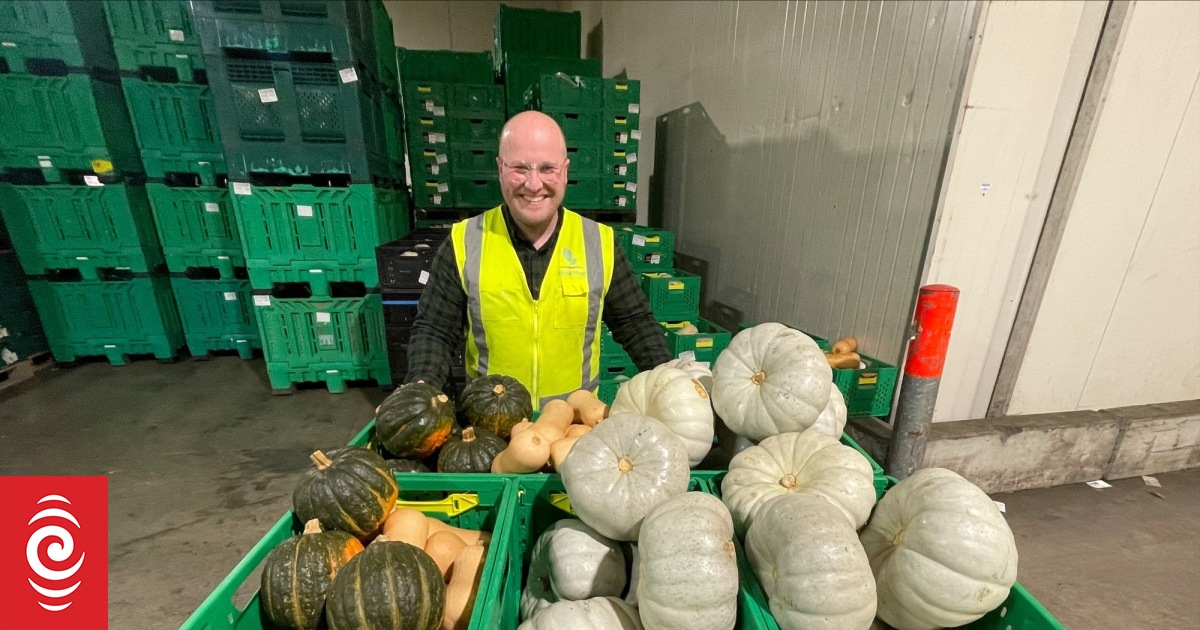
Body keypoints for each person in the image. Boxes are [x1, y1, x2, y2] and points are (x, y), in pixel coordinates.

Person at [406, 111, 671, 408]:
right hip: (489, 426)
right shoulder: (465, 241)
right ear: (500, 169)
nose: (533, 184)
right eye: (519, 168)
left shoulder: (600, 243)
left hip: (573, 428)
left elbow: (635, 325)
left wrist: (671, 383)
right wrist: (420, 390)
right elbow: (434, 330)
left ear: (565, 172)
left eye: (547, 168)